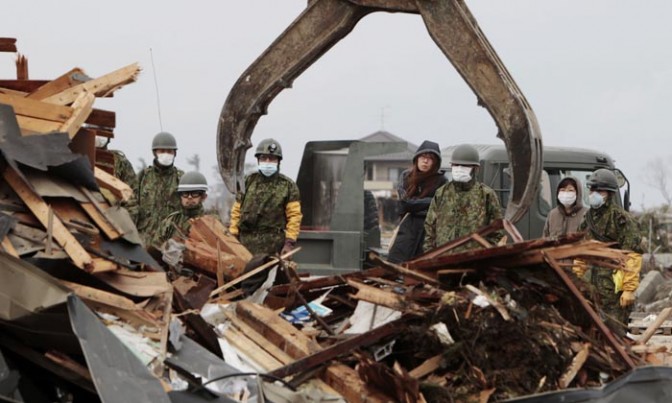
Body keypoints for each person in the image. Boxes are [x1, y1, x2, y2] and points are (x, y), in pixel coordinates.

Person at [574, 168, 642, 328]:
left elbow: (632, 255)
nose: (594, 194)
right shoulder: (587, 219)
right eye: (592, 189)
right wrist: (576, 279)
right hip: (590, 287)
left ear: (609, 193)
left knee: (614, 331)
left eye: (599, 191)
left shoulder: (621, 219)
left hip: (613, 289)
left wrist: (629, 289)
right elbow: (580, 253)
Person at [229, 138, 302, 256]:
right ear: (258, 160)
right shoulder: (247, 182)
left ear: (278, 161)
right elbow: (236, 211)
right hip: (245, 246)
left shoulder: (288, 186)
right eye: (263, 158)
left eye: (272, 158)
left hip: (274, 248)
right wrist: (233, 235)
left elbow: (294, 216)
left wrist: (289, 243)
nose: (267, 162)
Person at [423, 144, 502, 253]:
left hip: (474, 258)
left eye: (465, 166)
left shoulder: (486, 194)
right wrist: (431, 254)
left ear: (476, 169)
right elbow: (430, 228)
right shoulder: (442, 193)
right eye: (456, 165)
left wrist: (485, 253)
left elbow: (497, 230)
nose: (459, 169)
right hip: (444, 258)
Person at [388, 140, 447, 263]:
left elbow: (441, 203)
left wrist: (416, 203)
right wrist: (429, 202)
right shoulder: (407, 176)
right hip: (408, 224)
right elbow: (405, 203)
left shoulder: (441, 180)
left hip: (430, 228)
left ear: (435, 162)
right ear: (417, 159)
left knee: (424, 263)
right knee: (397, 261)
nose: (425, 161)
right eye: (422, 157)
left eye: (430, 158)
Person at [133, 132, 184, 245]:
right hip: (144, 239)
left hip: (171, 241)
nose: (166, 154)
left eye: (169, 151)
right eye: (162, 151)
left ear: (175, 153)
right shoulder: (143, 176)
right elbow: (131, 206)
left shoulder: (181, 178)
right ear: (154, 152)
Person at [154, 171, 209, 246]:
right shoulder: (170, 221)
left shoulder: (211, 222)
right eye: (185, 193)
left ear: (203, 197)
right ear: (180, 196)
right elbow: (156, 247)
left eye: (195, 193)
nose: (189, 197)